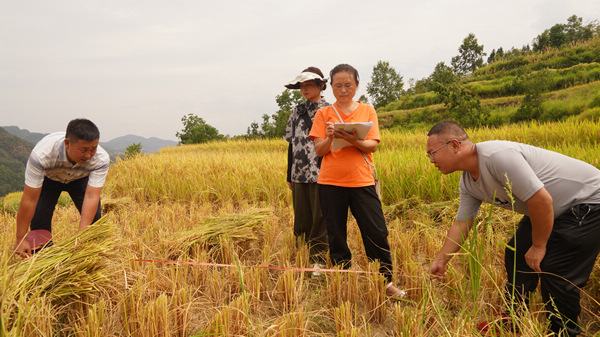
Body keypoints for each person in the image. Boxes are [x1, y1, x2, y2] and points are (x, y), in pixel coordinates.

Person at [427, 120, 600, 336]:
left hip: (588, 202)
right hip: (550, 208)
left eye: (432, 153)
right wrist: (442, 259)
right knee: (516, 253)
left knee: (557, 271)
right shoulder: (468, 183)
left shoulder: (497, 156)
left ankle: (565, 332)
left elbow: (541, 200)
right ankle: (513, 319)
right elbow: (463, 223)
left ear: (454, 145)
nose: (431, 160)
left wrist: (538, 246)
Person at [309, 63, 406, 298]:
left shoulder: (367, 111)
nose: (343, 90)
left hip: (362, 180)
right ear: (330, 87)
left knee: (376, 231)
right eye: (338, 85)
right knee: (336, 234)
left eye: (348, 85)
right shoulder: (323, 114)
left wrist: (351, 140)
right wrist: (332, 137)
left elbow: (372, 144)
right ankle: (343, 280)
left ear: (357, 85)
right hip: (330, 182)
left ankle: (386, 281)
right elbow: (319, 151)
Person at [14, 118, 110, 258]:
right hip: (49, 179)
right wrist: (20, 238)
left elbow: (91, 196)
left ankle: (89, 258)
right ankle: (44, 261)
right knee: (40, 222)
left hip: (80, 178)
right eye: (83, 150)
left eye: (93, 149)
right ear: (67, 143)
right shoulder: (42, 155)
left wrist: (81, 239)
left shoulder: (101, 159)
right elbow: (30, 199)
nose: (89, 155)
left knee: (94, 222)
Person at [283, 67, 330, 275]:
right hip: (299, 172)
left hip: (323, 172)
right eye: (302, 86)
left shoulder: (330, 110)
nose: (304, 89)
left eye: (309, 85)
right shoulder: (297, 111)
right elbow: (291, 144)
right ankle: (301, 256)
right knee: (301, 216)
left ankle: (318, 259)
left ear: (321, 85)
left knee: (321, 217)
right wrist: (289, 175)